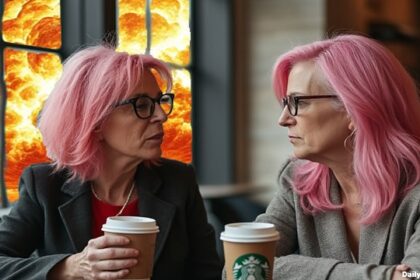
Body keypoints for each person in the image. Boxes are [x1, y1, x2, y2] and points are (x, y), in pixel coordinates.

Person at [0, 45, 222, 279]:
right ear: (95, 122)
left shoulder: (179, 181)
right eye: (142, 104)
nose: (161, 116)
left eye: (159, 101)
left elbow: (207, 272)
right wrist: (70, 267)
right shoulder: (45, 185)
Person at [256, 34, 420, 280]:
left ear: (355, 108)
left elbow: (414, 276)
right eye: (285, 103)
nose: (284, 119)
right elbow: (240, 266)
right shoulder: (297, 179)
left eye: (298, 102)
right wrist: (382, 277)